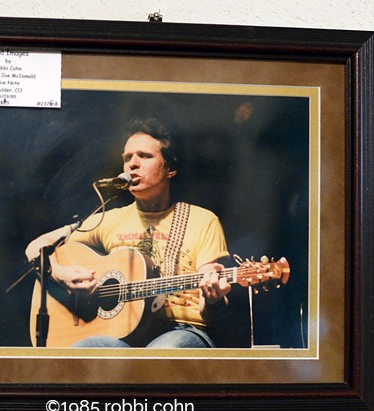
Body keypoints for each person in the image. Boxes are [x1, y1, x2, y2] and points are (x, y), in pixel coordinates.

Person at [25, 118, 232, 348]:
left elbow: (212, 306)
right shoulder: (109, 219)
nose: (132, 164)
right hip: (125, 335)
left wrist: (212, 298)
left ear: (170, 169)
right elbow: (37, 246)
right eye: (127, 158)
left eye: (144, 156)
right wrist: (59, 273)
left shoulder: (202, 220)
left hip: (181, 330)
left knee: (163, 352)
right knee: (85, 349)